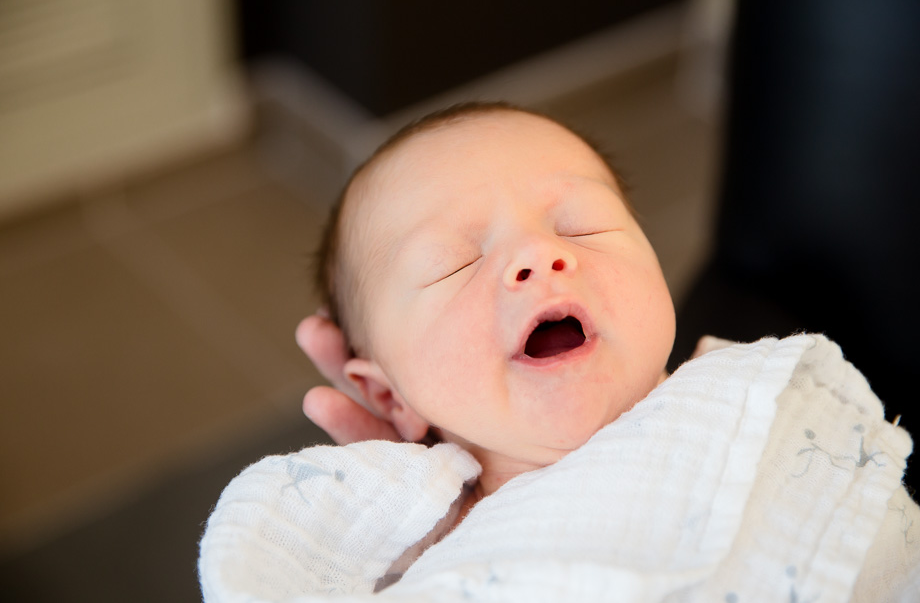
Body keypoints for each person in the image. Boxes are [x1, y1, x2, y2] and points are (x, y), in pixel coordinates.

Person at [199, 103, 919, 602]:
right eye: (452, 263)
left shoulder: (758, 408)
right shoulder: (411, 557)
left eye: (581, 226)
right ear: (389, 397)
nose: (539, 256)